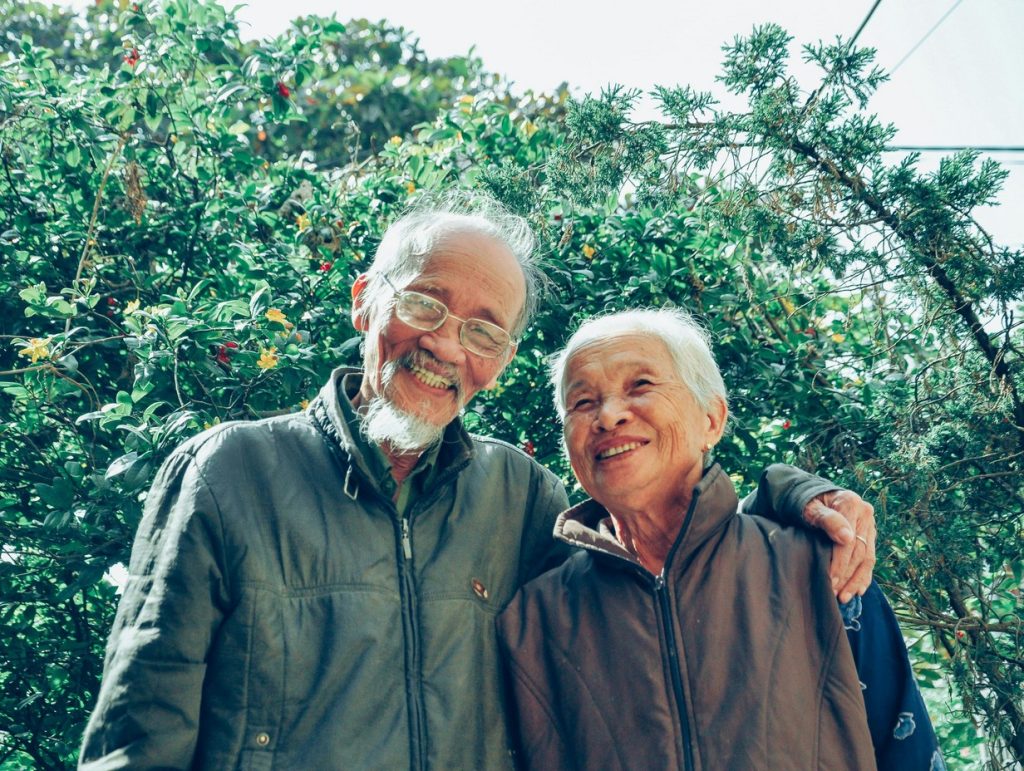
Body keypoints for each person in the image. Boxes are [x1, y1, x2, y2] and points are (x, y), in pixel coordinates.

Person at [80, 194, 877, 770]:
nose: (446, 345)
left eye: (485, 329)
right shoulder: (229, 473)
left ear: (499, 360)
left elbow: (661, 545)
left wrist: (790, 496)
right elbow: (136, 737)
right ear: (366, 302)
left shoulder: (521, 495)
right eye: (424, 302)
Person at [497, 308, 943, 771]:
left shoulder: (819, 566)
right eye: (583, 402)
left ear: (711, 420)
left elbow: (906, 746)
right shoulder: (534, 619)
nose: (608, 416)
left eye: (641, 386)